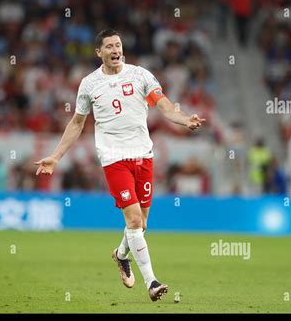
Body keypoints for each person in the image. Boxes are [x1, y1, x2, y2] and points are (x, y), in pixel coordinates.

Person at [34, 29, 204, 301]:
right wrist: (56, 156)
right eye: (109, 46)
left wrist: (185, 120)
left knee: (142, 223)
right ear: (98, 52)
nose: (115, 50)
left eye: (118, 45)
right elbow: (77, 123)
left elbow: (165, 106)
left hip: (143, 156)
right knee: (134, 219)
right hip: (114, 158)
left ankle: (121, 254)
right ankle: (152, 282)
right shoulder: (89, 84)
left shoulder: (140, 76)